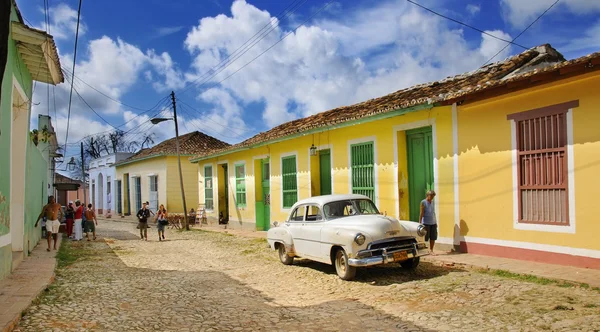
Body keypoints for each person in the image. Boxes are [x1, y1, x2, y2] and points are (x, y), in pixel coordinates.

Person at [419, 190, 438, 255]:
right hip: (426, 222)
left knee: (433, 237)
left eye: (433, 196)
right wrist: (420, 222)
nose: (432, 197)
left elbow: (433, 212)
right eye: (431, 196)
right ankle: (423, 249)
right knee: (425, 237)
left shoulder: (432, 202)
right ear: (427, 195)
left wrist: (436, 221)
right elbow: (421, 213)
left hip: (433, 222)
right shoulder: (423, 202)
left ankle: (431, 250)